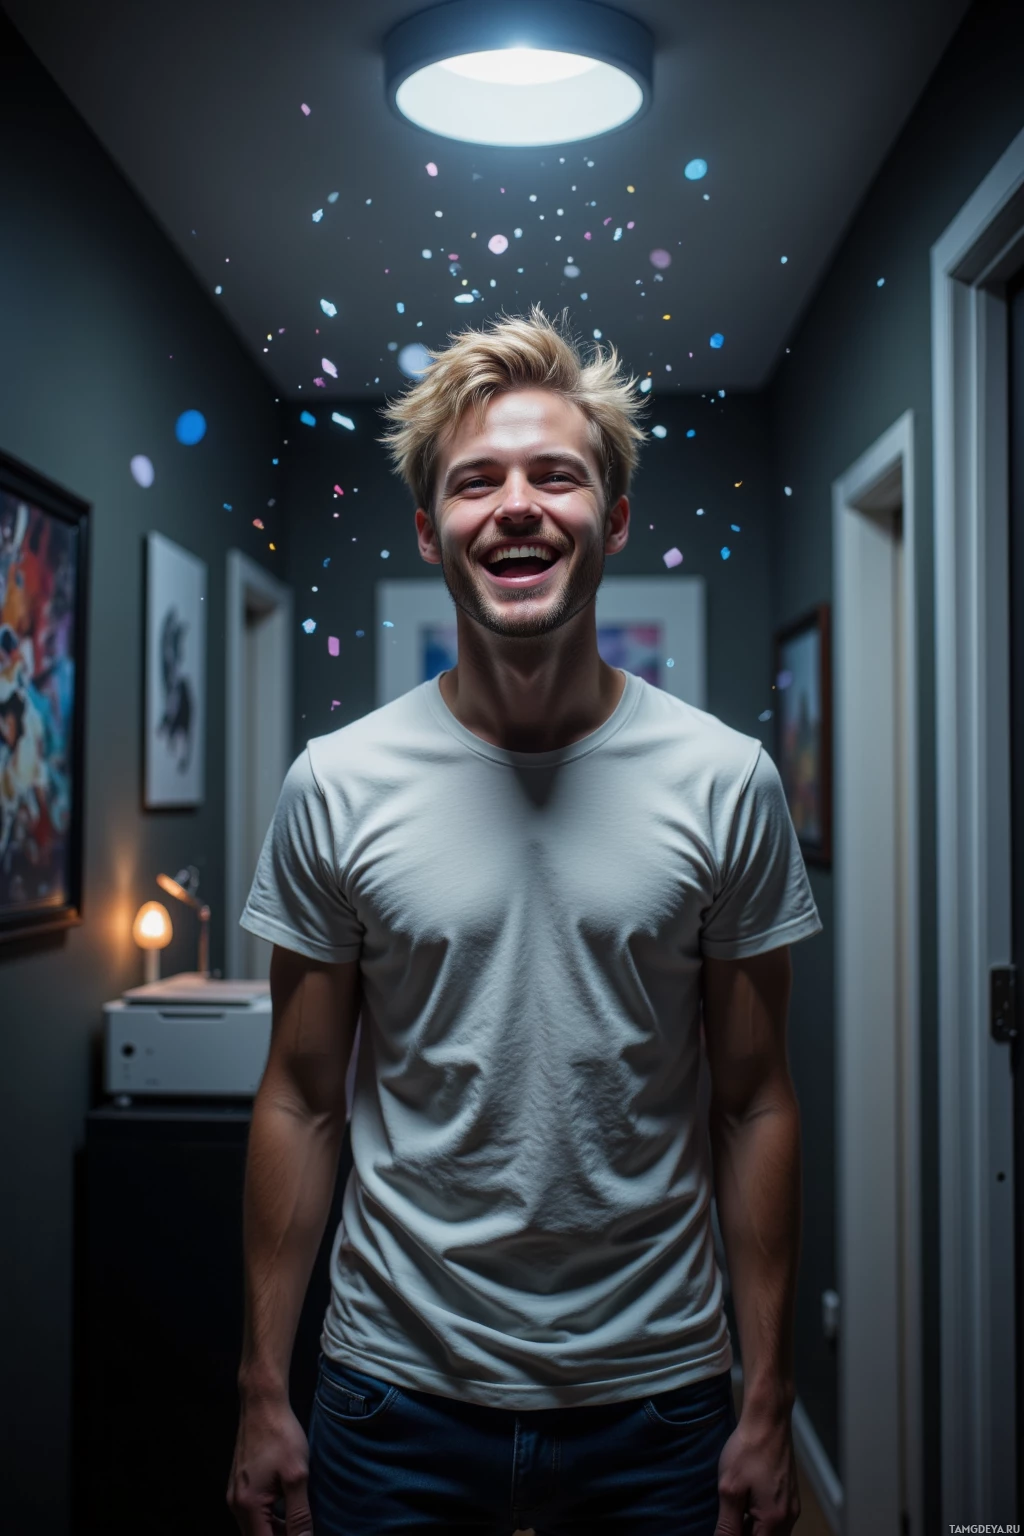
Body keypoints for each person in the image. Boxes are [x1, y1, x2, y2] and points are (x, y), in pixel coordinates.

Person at [227, 307, 822, 1536]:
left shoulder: (724, 779)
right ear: (431, 530)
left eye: (556, 475)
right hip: (390, 1396)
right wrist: (259, 1387)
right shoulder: (336, 783)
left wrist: (766, 1399)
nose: (515, 504)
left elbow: (754, 1099)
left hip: (657, 1401)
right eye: (474, 481)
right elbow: (300, 1095)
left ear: (609, 521)